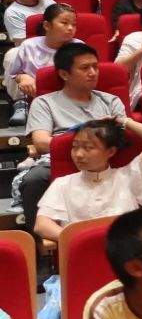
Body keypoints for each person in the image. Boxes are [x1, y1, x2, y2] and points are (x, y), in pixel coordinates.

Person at [17, 43, 127, 234]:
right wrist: (83, 145)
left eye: (95, 67)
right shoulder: (44, 102)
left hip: (105, 159)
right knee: (34, 179)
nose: (93, 73)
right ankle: (43, 242)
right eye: (85, 68)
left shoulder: (110, 101)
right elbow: (41, 142)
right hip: (61, 159)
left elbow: (122, 136)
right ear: (64, 74)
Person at [34, 115, 142, 242]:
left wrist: (122, 121)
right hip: (83, 249)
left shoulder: (129, 176)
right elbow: (41, 225)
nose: (78, 154)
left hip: (126, 249)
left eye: (88, 148)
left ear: (111, 151)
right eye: (74, 147)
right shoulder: (63, 184)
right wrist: (78, 240)